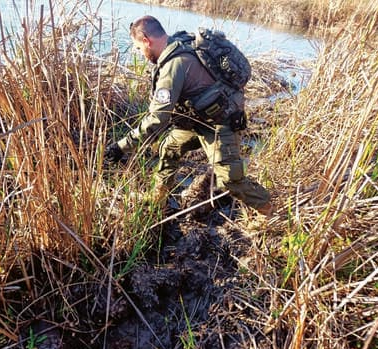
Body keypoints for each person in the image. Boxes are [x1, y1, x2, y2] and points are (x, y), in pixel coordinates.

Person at [105, 15, 272, 216]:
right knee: (170, 148)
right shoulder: (179, 42)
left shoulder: (173, 66)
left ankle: (271, 211)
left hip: (221, 123)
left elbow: (157, 119)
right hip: (199, 120)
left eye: (139, 48)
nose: (140, 54)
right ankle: (158, 199)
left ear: (147, 41)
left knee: (230, 180)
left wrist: (121, 147)